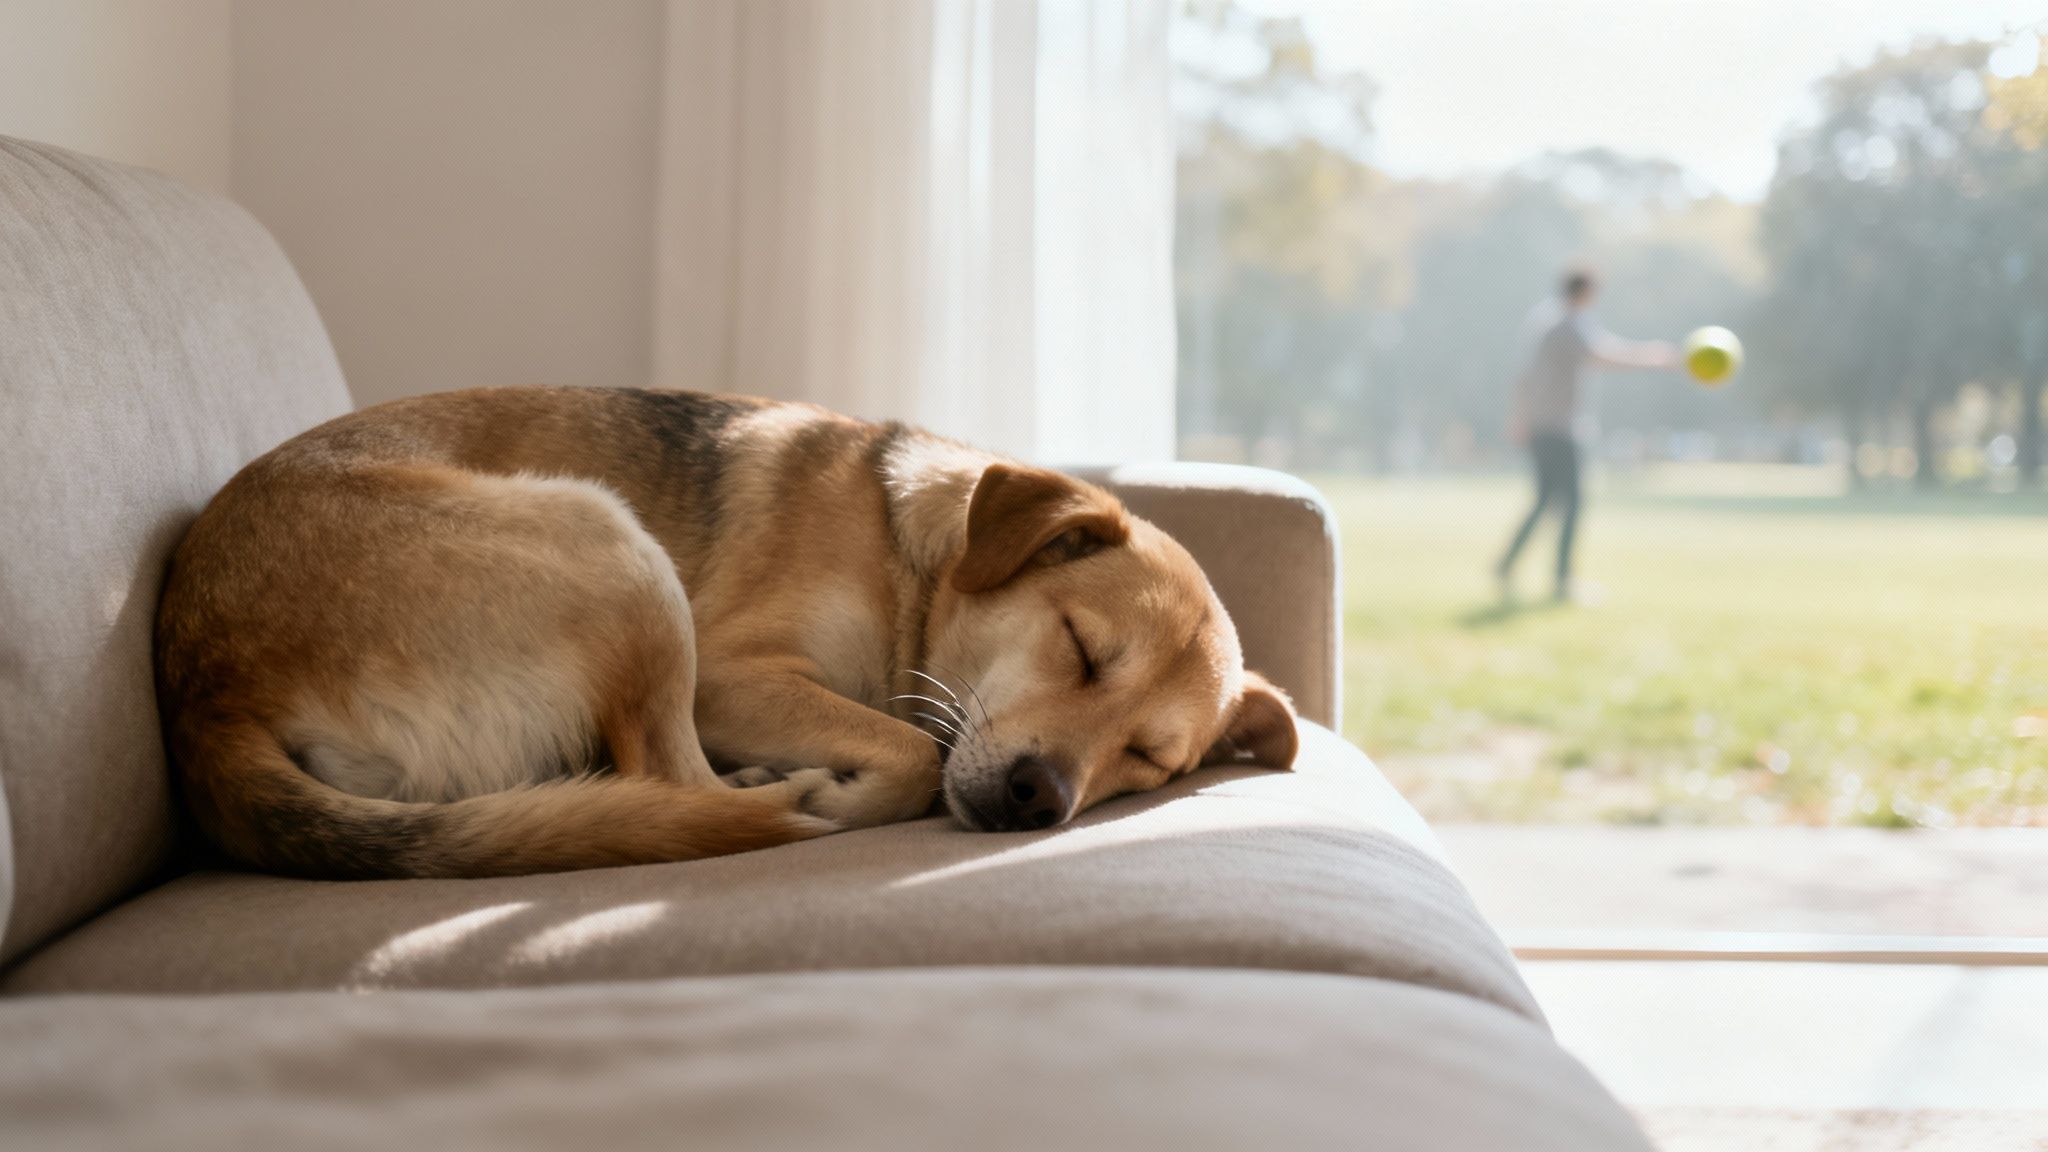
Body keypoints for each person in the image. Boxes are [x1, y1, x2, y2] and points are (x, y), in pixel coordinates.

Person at [1497, 268, 1678, 603]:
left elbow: (1523, 377)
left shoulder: (1545, 322)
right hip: (1560, 428)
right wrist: (1655, 357)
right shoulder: (1567, 326)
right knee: (1572, 502)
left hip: (1543, 425)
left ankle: (1507, 565)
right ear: (1584, 292)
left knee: (1544, 501)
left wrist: (1519, 418)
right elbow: (1603, 355)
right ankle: (1562, 580)